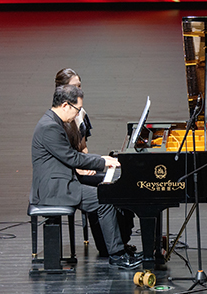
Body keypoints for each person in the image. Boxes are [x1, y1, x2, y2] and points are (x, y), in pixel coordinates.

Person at [31, 84, 140, 269]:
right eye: (77, 109)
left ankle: (117, 244)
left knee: (111, 187)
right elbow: (72, 158)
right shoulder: (49, 127)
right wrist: (102, 161)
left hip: (62, 180)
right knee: (104, 200)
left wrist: (102, 160)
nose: (78, 114)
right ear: (65, 105)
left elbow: (71, 156)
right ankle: (117, 255)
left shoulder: (53, 121)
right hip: (55, 189)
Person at [54, 68, 134, 257]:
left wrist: (89, 163)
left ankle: (122, 239)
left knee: (122, 181)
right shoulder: (60, 118)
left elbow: (82, 147)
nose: (79, 90)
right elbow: (66, 155)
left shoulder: (80, 112)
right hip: (71, 173)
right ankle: (105, 245)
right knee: (105, 191)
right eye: (74, 86)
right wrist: (82, 168)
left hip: (80, 165)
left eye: (79, 86)